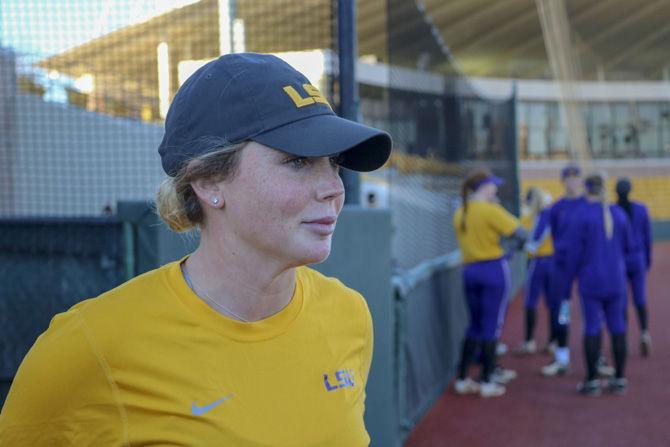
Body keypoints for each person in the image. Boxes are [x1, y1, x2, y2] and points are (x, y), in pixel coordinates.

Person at [0, 53, 392, 445]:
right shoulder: (91, 346)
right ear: (208, 182)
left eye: (334, 163)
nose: (334, 189)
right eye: (298, 161)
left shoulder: (349, 315)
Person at [452, 169, 526, 398]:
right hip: (493, 269)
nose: (495, 188)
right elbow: (521, 233)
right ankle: (487, 380)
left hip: (470, 271)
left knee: (475, 325)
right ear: (485, 187)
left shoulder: (461, 210)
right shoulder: (490, 209)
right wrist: (509, 251)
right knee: (490, 326)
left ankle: (463, 379)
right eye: (492, 185)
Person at [564, 172, 632, 395]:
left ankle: (592, 380)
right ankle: (620, 378)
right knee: (618, 328)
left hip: (591, 281)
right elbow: (629, 246)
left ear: (586, 189)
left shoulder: (582, 215)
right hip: (615, 281)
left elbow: (574, 254)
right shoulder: (618, 214)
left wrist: (569, 280)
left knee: (592, 327)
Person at [540, 163, 586, 376]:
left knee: (593, 309)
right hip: (563, 267)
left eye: (576, 177)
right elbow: (548, 233)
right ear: (563, 181)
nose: (572, 182)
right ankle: (562, 356)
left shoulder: (590, 204)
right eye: (568, 178)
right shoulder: (557, 207)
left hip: (588, 265)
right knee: (562, 310)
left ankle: (599, 356)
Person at [513, 187, 554, 355]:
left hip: (538, 262)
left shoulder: (535, 217)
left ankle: (530, 341)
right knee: (560, 304)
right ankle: (557, 341)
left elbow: (529, 243)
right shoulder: (549, 215)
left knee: (531, 301)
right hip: (555, 262)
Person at [616, 177, 653, 356]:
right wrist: (647, 261)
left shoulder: (613, 211)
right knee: (640, 298)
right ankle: (644, 333)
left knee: (621, 302)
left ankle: (623, 338)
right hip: (637, 259)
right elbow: (647, 237)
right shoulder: (641, 209)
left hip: (620, 261)